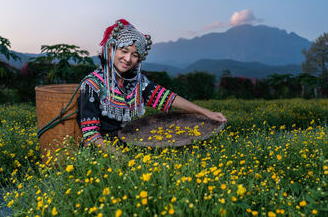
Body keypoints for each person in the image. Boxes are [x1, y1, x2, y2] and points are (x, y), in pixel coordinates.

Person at [77, 19, 227, 150]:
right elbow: (91, 134)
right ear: (111, 50)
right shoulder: (92, 85)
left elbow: (167, 97)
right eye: (124, 51)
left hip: (129, 143)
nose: (128, 59)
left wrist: (206, 112)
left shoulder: (136, 82)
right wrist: (118, 156)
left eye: (135, 55)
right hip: (101, 151)